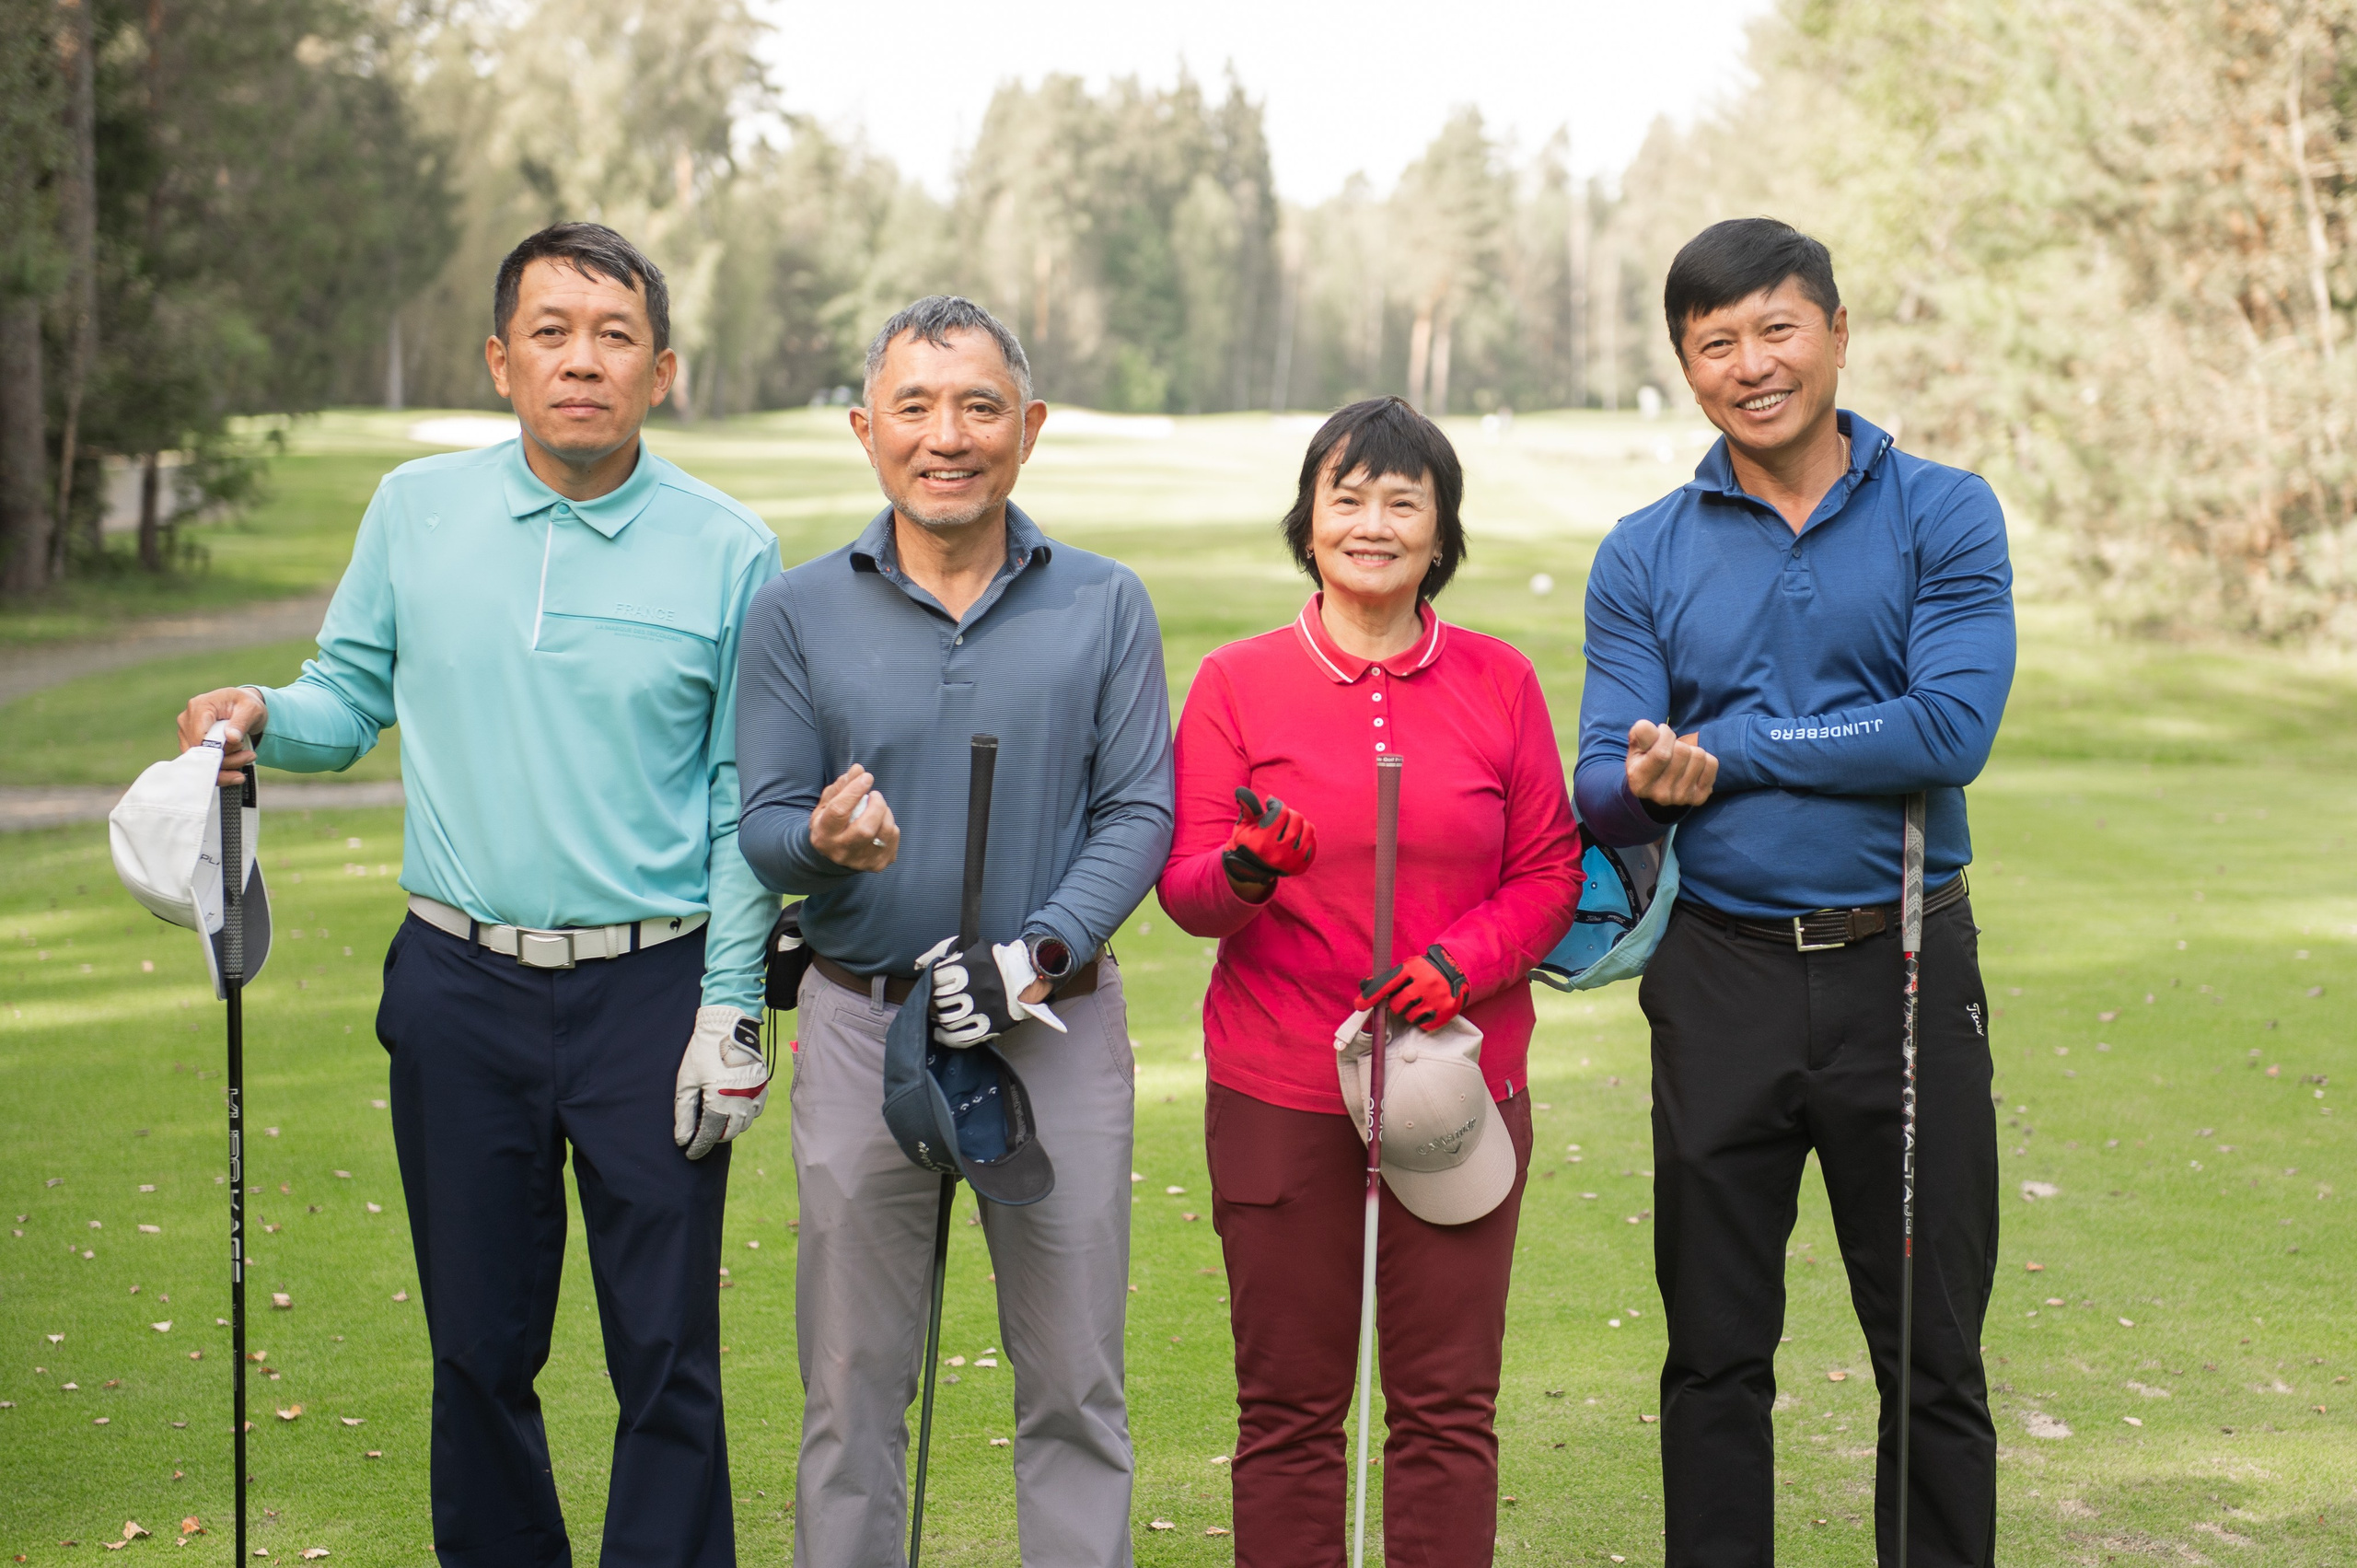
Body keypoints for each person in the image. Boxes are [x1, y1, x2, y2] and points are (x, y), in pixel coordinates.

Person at [172, 223, 781, 1568]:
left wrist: (734, 1003)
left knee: (667, 1354)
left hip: (654, 989)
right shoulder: (414, 510)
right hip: (459, 987)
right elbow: (348, 696)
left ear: (663, 369)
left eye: (614, 334)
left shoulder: (733, 550)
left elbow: (747, 795)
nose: (583, 359)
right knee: (477, 1347)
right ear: (500, 359)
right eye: (551, 331)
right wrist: (265, 708)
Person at [1576, 217, 2014, 1568]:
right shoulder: (1642, 551)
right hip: (1718, 975)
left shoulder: (1945, 510)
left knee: (1929, 1350)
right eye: (1717, 343)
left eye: (1777, 328)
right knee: (1713, 1349)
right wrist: (1650, 775)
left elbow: (1947, 728)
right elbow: (1601, 776)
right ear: (1686, 367)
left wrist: (1736, 749)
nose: (1752, 364)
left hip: (1906, 966)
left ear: (1834, 329)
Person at [735, 295, 1173, 1567]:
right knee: (852, 1389)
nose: (948, 435)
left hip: (1055, 1026)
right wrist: (822, 841)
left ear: (1027, 429)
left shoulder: (1104, 602)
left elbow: (1138, 807)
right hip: (864, 1023)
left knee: (1074, 1383)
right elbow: (763, 823)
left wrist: (1037, 950)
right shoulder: (796, 611)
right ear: (867, 430)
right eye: (916, 407)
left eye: (979, 405)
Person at [1156, 397, 1583, 1568]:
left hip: (1456, 1085)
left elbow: (1550, 871)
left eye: (1404, 499)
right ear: (1308, 522)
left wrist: (1460, 962)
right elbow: (1189, 889)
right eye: (1347, 497)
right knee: (1289, 1410)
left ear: (1440, 531)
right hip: (1279, 1085)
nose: (1373, 522)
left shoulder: (1498, 681)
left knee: (1447, 1404)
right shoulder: (1238, 683)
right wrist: (1250, 867)